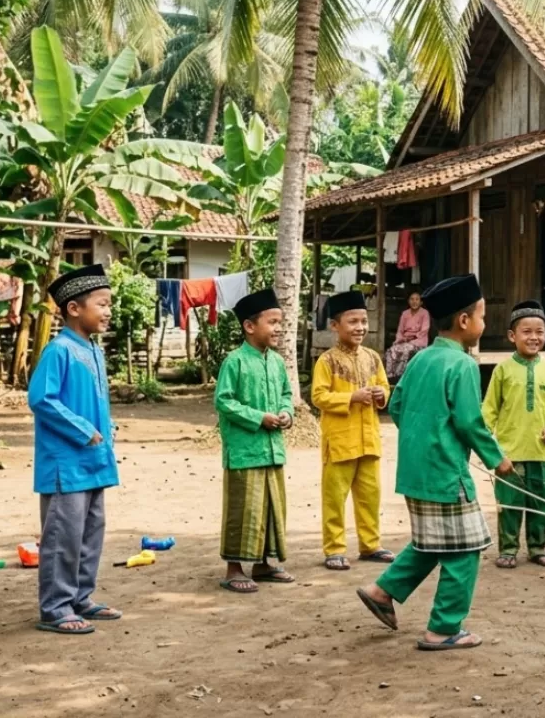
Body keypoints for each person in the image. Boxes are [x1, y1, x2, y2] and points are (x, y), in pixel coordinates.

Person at [355, 274, 513, 651]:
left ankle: (382, 590)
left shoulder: (420, 358)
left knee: (433, 541)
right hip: (445, 473)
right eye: (482, 316)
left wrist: (423, 435)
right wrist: (497, 459)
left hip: (414, 471)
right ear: (463, 321)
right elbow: (469, 421)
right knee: (465, 548)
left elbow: (394, 405)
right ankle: (443, 628)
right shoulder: (461, 365)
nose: (484, 324)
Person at [28, 265, 120, 634]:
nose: (109, 310)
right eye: (102, 303)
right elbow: (42, 399)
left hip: (94, 460)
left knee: (90, 533)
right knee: (62, 537)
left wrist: (105, 431)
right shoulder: (59, 349)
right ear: (74, 309)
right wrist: (85, 430)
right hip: (66, 463)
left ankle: (80, 597)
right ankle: (55, 607)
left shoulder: (93, 351)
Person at [214, 288, 296, 594]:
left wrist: (286, 413)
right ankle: (234, 569)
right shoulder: (234, 361)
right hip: (244, 451)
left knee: (271, 508)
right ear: (250, 326)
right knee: (243, 509)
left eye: (280, 322)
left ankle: (264, 565)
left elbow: (287, 395)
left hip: (273, 449)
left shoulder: (276, 362)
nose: (278, 329)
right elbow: (224, 401)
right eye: (272, 322)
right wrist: (258, 417)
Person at [311, 290, 393, 572]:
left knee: (370, 495)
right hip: (340, 441)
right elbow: (318, 396)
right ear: (335, 326)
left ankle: (371, 545)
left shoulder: (372, 357)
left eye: (362, 321)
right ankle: (334, 549)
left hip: (369, 439)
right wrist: (351, 398)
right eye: (352, 322)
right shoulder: (327, 361)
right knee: (335, 497)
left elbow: (385, 387)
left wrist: (381, 395)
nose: (359, 327)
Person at [482, 299, 545, 569]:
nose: (534, 337)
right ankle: (508, 549)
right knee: (509, 504)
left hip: (542, 453)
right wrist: (488, 446)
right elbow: (489, 410)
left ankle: (537, 548)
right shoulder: (503, 370)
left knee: (541, 504)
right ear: (512, 336)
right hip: (509, 453)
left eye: (539, 332)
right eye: (526, 332)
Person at [385, 291, 430, 381]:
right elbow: (400, 330)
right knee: (391, 351)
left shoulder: (424, 313)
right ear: (408, 301)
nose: (414, 302)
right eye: (412, 299)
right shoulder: (405, 313)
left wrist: (411, 338)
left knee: (405, 350)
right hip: (404, 340)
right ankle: (389, 376)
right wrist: (398, 340)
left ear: (421, 302)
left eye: (417, 299)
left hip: (418, 341)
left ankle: (399, 376)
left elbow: (424, 330)